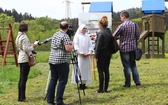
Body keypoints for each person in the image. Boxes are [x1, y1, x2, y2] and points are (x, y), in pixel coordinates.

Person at [47, 21, 73, 105]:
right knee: (62, 81)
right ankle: (59, 100)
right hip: (61, 60)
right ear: (67, 27)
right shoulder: (65, 36)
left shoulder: (55, 34)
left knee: (53, 79)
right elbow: (68, 49)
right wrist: (72, 45)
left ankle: (50, 100)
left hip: (52, 59)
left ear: (59, 27)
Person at [112, 11, 141, 87]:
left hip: (124, 48)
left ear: (124, 17)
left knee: (126, 66)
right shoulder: (135, 25)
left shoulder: (122, 26)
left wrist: (120, 37)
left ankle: (128, 83)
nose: (121, 18)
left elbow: (114, 36)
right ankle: (137, 81)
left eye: (121, 17)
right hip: (133, 48)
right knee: (133, 65)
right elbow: (138, 36)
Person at [15, 22, 37, 102]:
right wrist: (33, 46)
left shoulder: (18, 36)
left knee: (21, 79)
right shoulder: (24, 37)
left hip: (20, 58)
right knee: (23, 79)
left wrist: (29, 46)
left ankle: (20, 97)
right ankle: (22, 98)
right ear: (26, 28)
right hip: (25, 59)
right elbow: (26, 49)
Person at [94, 16, 112, 93]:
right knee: (106, 70)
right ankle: (106, 88)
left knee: (100, 71)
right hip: (108, 53)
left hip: (101, 54)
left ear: (100, 24)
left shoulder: (100, 33)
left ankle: (100, 88)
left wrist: (96, 55)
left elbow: (98, 45)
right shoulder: (109, 32)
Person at [71, 24, 92, 89]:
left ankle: (84, 83)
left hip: (86, 57)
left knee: (86, 69)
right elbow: (76, 46)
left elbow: (90, 45)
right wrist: (81, 53)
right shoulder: (77, 36)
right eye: (83, 28)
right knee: (80, 69)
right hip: (80, 56)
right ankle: (80, 83)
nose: (85, 30)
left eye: (85, 28)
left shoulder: (87, 36)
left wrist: (89, 52)